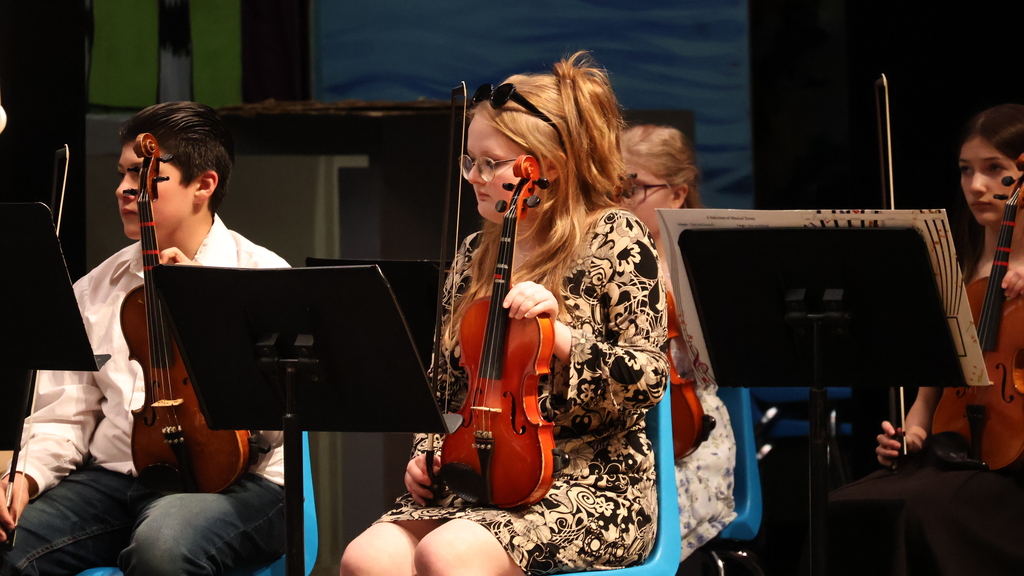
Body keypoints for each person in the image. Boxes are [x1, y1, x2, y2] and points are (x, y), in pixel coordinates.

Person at [339, 52, 669, 576]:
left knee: (446, 555)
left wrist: (559, 337)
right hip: (477, 474)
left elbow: (649, 380)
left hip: (587, 480)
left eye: (490, 163)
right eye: (470, 161)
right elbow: (447, 390)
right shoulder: (475, 253)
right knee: (367, 560)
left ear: (547, 166)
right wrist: (426, 453)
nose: (473, 176)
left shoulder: (615, 238)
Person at [0, 101, 289, 576]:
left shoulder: (260, 276)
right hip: (115, 480)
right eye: (121, 175)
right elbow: (66, 413)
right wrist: (25, 477)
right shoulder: (95, 288)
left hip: (237, 481)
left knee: (162, 548)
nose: (123, 190)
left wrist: (205, 310)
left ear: (204, 184)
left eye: (143, 176)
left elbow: (277, 427)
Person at [828, 103, 1024, 576]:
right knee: (844, 506)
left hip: (1015, 467)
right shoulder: (955, 265)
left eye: (994, 169)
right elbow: (932, 391)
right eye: (966, 171)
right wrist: (913, 434)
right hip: (954, 452)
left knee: (927, 512)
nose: (976, 186)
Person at [619, 125, 737, 568]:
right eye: (614, 186)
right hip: (618, 432)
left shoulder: (699, 266)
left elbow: (717, 363)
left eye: (635, 188)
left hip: (687, 438)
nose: (620, 201)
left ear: (678, 194)